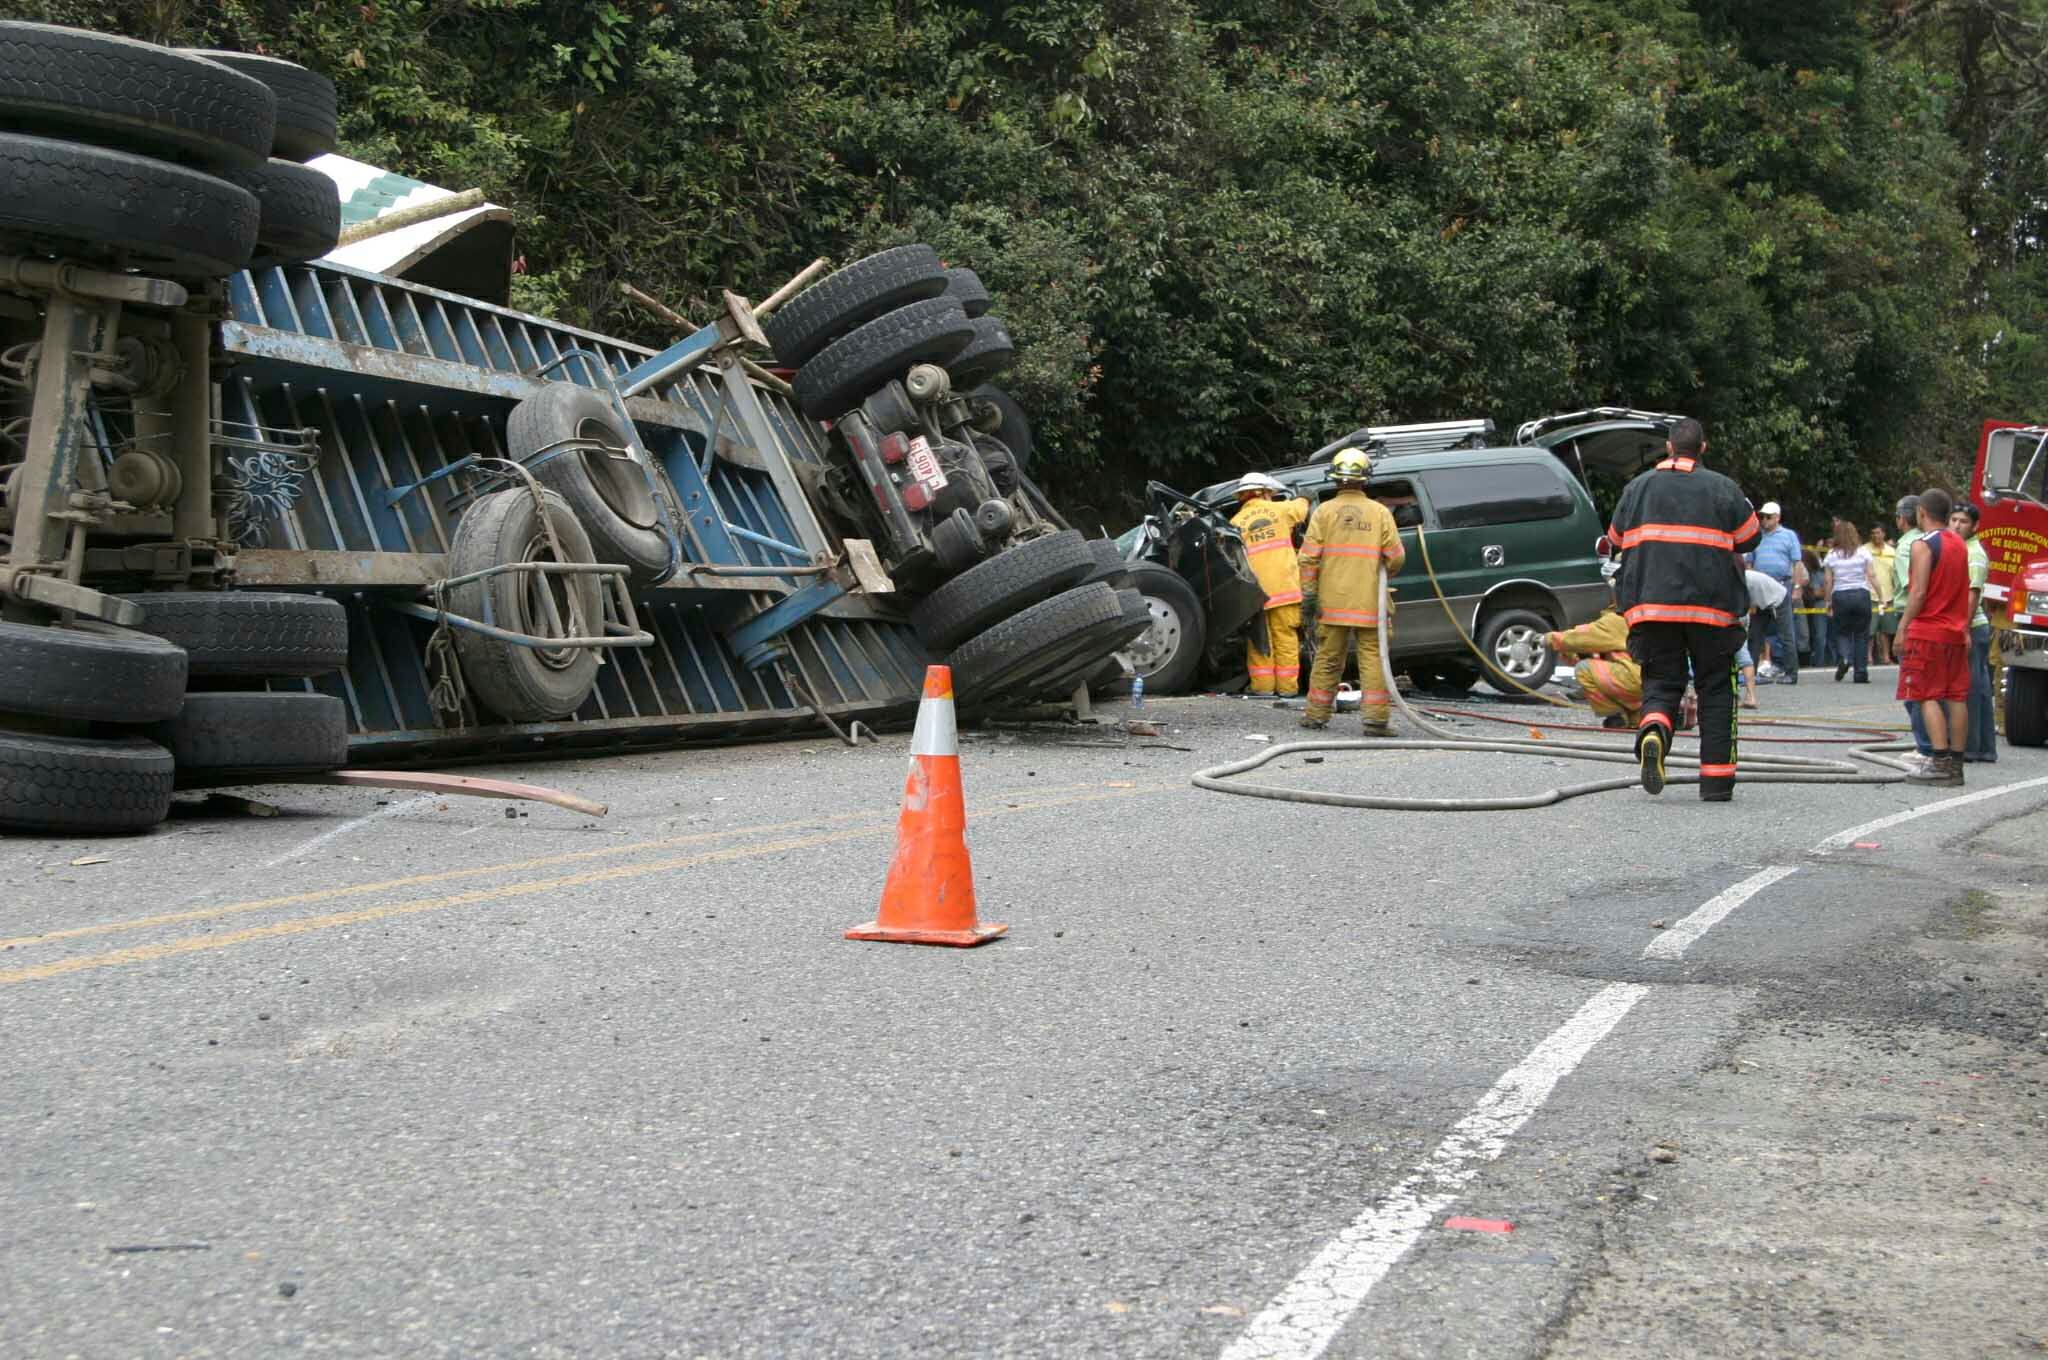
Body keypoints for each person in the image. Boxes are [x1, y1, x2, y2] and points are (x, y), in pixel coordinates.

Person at [1607, 417, 1760, 801]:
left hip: (1650, 608)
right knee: (1715, 689)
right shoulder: (1723, 489)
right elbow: (1749, 538)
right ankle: (1716, 782)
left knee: (1660, 681)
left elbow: (1614, 540)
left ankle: (1655, 731)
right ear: (1703, 448)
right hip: (1711, 612)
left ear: (1669, 447)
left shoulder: (1637, 488)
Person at [1299, 446, 1404, 736]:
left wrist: (1309, 596)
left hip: (1331, 604)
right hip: (1369, 603)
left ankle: (1315, 715)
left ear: (1334, 479)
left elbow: (1308, 558)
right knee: (1373, 660)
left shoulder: (1323, 512)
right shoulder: (1380, 512)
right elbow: (1396, 557)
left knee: (1328, 658)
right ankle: (1375, 721)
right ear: (1365, 479)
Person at [1896, 488, 1972, 785]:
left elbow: (1918, 592)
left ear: (1922, 513)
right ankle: (1956, 763)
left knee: (1926, 695)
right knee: (1955, 697)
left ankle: (1939, 761)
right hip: (1954, 631)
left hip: (1928, 630)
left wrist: (1903, 626)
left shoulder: (1923, 544)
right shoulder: (1959, 543)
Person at [1228, 471, 1311, 697]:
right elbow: (1302, 509)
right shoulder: (1281, 510)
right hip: (1285, 591)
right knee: (1285, 639)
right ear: (1264, 492)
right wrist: (1305, 496)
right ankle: (1288, 689)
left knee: (1259, 642)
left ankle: (1263, 688)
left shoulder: (1234, 523)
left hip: (1255, 595)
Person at [1546, 559, 1642, 728]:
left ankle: (1615, 715)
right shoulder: (1643, 615)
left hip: (1634, 681)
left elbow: (1579, 637)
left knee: (1584, 669)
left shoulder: (1616, 621)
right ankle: (1636, 718)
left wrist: (1548, 639)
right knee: (1608, 665)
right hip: (1654, 683)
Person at [1951, 502, 1998, 764]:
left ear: (1976, 526)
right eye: (1954, 520)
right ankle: (1981, 748)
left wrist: (1962, 629)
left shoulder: (1974, 554)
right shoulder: (1961, 548)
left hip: (1972, 627)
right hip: (1969, 626)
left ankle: (1971, 747)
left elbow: (1973, 594)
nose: (1957, 525)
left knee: (1970, 689)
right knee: (1977, 688)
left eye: (1963, 521)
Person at [1890, 495, 1933, 759]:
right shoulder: (1930, 541)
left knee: (1913, 684)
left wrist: (1903, 628)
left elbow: (1913, 588)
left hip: (1911, 616)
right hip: (1924, 618)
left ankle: (1925, 745)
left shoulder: (1909, 546)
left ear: (1902, 519)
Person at [1748, 500, 1804, 684]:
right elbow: (1749, 563)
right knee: (1755, 633)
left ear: (1778, 518)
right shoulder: (1757, 537)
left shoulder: (1788, 536)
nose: (1764, 520)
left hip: (1782, 586)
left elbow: (1797, 563)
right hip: (1760, 588)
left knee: (1786, 632)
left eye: (1768, 517)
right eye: (1762, 516)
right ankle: (1752, 673)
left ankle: (1791, 673)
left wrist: (1797, 588)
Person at [1822, 518, 1873, 682]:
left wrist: (1828, 601)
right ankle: (1861, 673)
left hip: (1841, 596)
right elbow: (1871, 574)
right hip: (1861, 594)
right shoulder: (1864, 551)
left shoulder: (1831, 554)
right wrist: (1882, 594)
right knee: (1861, 634)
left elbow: (1828, 581)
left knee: (1842, 631)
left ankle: (1844, 658)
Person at [1742, 567, 1785, 703]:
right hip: (1763, 603)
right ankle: (1751, 695)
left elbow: (1749, 607)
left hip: (1777, 599)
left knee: (1785, 637)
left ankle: (1791, 673)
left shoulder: (1743, 580)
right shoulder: (1744, 577)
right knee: (1754, 640)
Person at [1867, 525, 1896, 663]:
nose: (1875, 536)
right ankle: (1868, 657)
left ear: (1883, 534)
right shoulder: (1864, 550)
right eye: (1873, 533)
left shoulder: (1891, 551)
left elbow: (1895, 574)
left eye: (1878, 533)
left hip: (1888, 595)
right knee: (1870, 630)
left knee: (1886, 629)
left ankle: (1886, 657)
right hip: (1870, 594)